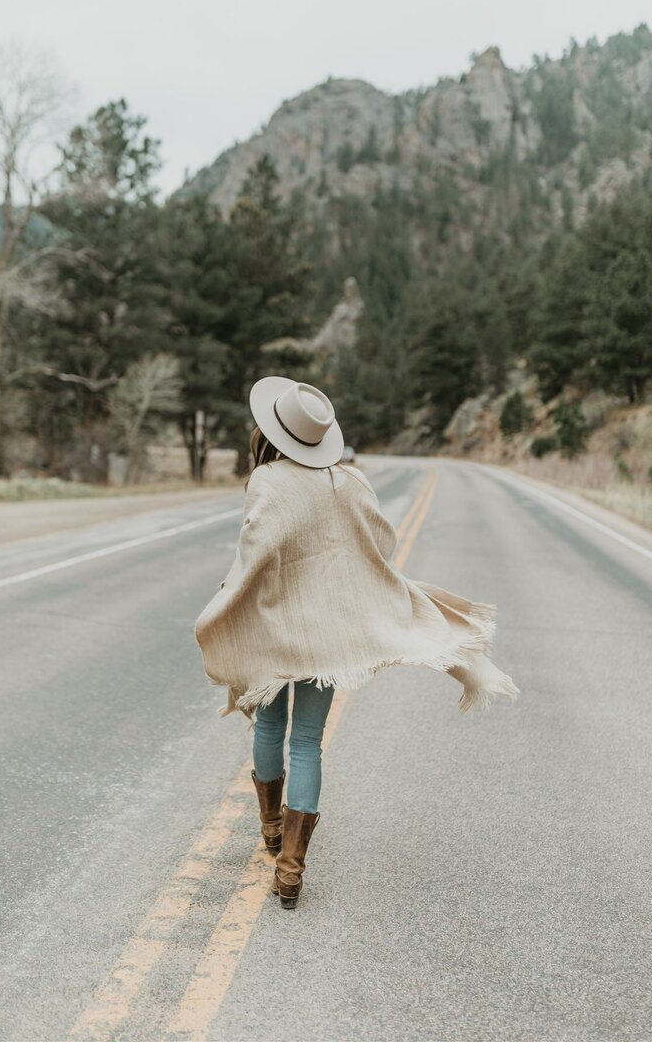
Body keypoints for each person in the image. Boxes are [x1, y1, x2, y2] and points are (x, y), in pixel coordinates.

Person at [194, 377, 519, 910]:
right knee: (307, 744)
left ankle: (271, 830)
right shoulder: (350, 482)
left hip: (276, 627)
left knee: (271, 726)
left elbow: (253, 550)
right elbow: (382, 542)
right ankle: (292, 872)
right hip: (332, 636)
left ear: (272, 430)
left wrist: (229, 602)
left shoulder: (267, 480)